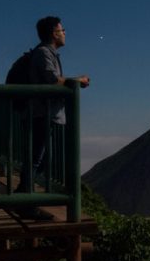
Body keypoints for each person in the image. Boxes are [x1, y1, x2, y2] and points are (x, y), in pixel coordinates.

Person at [6, 16, 89, 191]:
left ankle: (23, 194)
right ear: (53, 33)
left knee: (39, 159)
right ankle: (25, 201)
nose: (65, 33)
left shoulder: (47, 53)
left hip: (41, 114)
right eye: (62, 30)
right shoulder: (43, 53)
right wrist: (77, 80)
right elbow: (51, 80)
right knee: (36, 160)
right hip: (40, 114)